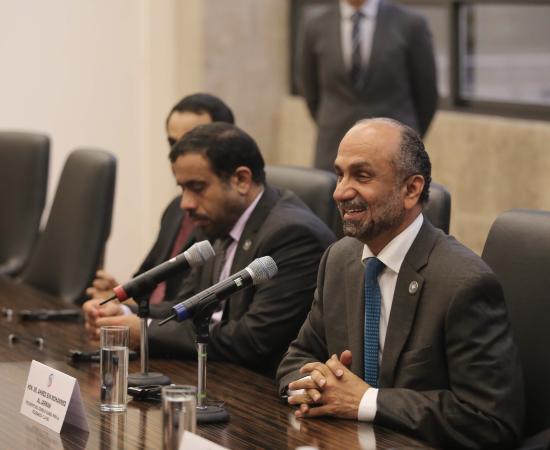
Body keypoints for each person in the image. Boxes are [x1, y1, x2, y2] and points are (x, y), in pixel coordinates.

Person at [276, 118, 524, 448]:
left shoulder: (464, 283)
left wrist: (366, 401)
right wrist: (317, 384)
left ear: (411, 189)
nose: (340, 192)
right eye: (340, 174)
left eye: (361, 176)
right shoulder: (339, 259)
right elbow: (296, 359)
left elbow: (489, 420)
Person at [84, 123, 335, 376]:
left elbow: (252, 340)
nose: (186, 203)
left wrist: (145, 331)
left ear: (241, 180)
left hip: (261, 387)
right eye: (182, 188)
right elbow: (187, 304)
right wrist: (123, 313)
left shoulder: (293, 235)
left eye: (197, 187)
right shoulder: (217, 221)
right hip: (217, 374)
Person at [85, 93, 235, 303]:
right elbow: (147, 279)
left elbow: (198, 305)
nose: (178, 155)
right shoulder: (175, 209)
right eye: (173, 143)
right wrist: (121, 295)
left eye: (191, 144)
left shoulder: (227, 219)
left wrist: (135, 311)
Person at [298, 0, 438, 171]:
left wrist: (407, 142)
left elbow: (426, 95)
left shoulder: (411, 24)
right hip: (334, 149)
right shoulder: (315, 25)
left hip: (394, 153)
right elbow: (310, 91)